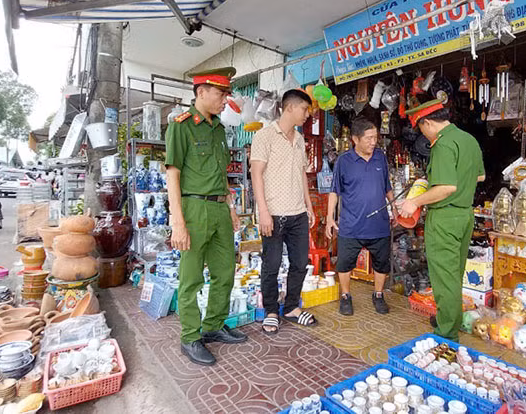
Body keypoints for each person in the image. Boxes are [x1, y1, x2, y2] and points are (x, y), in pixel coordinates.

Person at [165, 67, 245, 366]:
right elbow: (172, 175)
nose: (226, 100)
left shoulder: (219, 129)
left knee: (225, 271)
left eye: (227, 94)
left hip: (220, 208)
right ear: (201, 92)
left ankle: (213, 325)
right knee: (191, 278)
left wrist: (231, 208)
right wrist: (178, 222)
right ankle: (190, 336)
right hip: (194, 209)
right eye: (221, 93)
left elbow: (222, 174)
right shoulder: (181, 126)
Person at [398, 98, 485, 342]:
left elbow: (446, 187)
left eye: (421, 129)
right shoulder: (468, 140)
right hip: (464, 215)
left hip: (445, 216)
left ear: (427, 123)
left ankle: (446, 335)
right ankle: (450, 318)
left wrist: (415, 201)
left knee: (444, 277)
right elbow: (480, 176)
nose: (423, 135)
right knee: (454, 274)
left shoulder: (443, 144)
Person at [250, 89, 318, 334]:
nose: (307, 115)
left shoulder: (299, 139)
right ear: (289, 107)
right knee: (272, 263)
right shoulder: (264, 136)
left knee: (300, 262)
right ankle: (271, 310)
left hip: (298, 213)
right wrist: (263, 211)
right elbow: (256, 174)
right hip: (273, 213)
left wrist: (309, 207)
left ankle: (291, 308)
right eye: (305, 109)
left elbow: (301, 175)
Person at [325, 118, 397, 316]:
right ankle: (346, 296)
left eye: (375, 137)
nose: (373, 142)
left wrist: (394, 208)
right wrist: (330, 218)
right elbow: (334, 191)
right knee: (344, 263)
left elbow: (387, 186)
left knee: (382, 263)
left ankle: (378, 294)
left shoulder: (380, 157)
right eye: (369, 138)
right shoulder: (344, 161)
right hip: (351, 224)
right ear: (355, 139)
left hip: (379, 224)